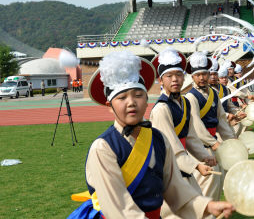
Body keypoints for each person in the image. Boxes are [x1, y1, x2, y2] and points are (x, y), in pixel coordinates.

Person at [67, 51, 235, 219]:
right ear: (110, 106)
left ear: (146, 99)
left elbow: (175, 189)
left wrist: (207, 205)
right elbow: (118, 207)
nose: (131, 102)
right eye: (122, 97)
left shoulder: (159, 139)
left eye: (138, 95)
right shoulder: (103, 148)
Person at [150, 48, 218, 219]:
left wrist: (204, 156)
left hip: (182, 171)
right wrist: (195, 166)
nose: (175, 79)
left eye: (178, 75)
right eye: (169, 76)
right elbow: (171, 147)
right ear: (161, 80)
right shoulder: (161, 109)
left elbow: (191, 136)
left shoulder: (185, 103)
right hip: (169, 172)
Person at [185, 52, 236, 201]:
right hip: (201, 148)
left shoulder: (213, 93)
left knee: (217, 184)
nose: (202, 78)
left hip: (215, 145)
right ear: (193, 77)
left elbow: (221, 120)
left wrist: (232, 141)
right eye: (197, 75)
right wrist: (215, 144)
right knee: (205, 186)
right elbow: (196, 125)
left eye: (204, 74)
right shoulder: (190, 97)